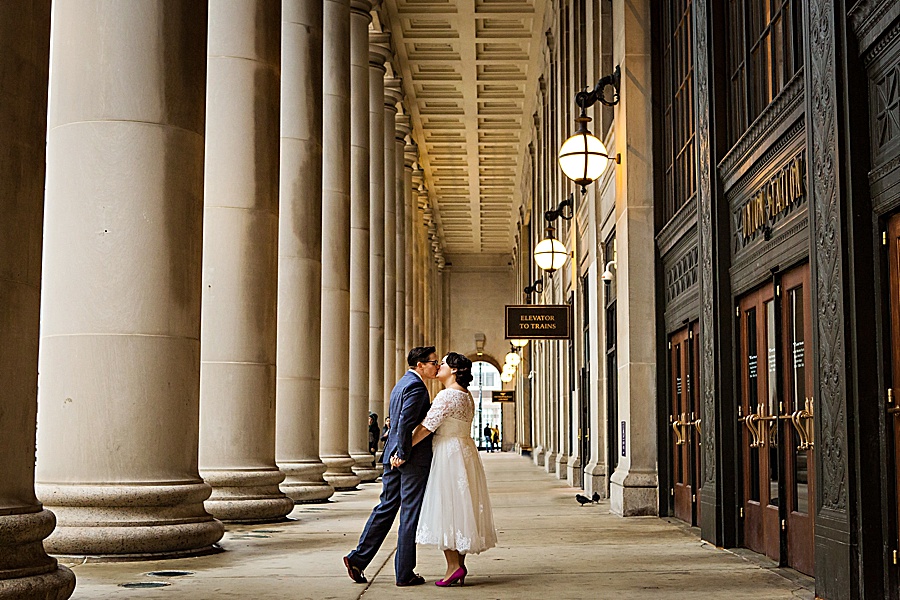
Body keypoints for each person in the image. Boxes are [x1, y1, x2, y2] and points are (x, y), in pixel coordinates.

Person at [344, 346, 440, 587]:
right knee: (409, 512)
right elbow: (406, 423)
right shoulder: (417, 387)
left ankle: (358, 558)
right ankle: (404, 573)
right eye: (433, 362)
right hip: (409, 459)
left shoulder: (401, 384)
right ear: (420, 365)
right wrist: (403, 453)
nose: (436, 366)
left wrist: (395, 453)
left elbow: (396, 422)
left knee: (386, 507)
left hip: (392, 457)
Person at [404, 352, 498, 587]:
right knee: (461, 507)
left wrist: (403, 449)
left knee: (447, 507)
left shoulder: (447, 395)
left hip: (449, 454)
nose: (438, 367)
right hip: (464, 451)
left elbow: (426, 427)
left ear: (454, 370)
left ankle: (453, 566)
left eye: (443, 364)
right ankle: (458, 565)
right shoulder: (466, 395)